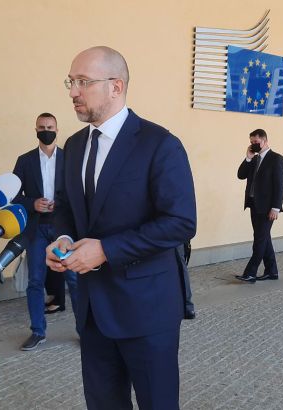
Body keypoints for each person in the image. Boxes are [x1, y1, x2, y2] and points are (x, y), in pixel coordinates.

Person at [45, 46, 196, 410]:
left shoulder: (159, 144)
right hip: (93, 311)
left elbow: (180, 222)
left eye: (83, 82)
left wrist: (106, 250)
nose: (73, 92)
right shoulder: (75, 145)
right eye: (71, 81)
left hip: (147, 310)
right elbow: (65, 206)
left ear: (116, 86)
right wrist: (63, 238)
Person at [12, 112, 78, 350]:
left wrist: (60, 204)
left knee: (74, 278)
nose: (46, 131)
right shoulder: (25, 160)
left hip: (64, 228)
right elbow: (13, 194)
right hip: (37, 228)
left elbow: (79, 192)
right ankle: (38, 331)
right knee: (35, 281)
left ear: (57, 130)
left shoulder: (70, 158)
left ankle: (85, 330)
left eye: (50, 127)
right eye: (42, 127)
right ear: (36, 130)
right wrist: (32, 203)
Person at [235, 129, 283, 283]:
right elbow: (240, 175)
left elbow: (280, 185)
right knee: (264, 238)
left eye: (256, 142)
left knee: (259, 240)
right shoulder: (254, 159)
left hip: (268, 207)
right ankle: (272, 271)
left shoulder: (276, 159)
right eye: (251, 142)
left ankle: (250, 273)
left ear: (265, 140)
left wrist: (275, 208)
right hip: (254, 205)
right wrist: (248, 158)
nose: (253, 144)